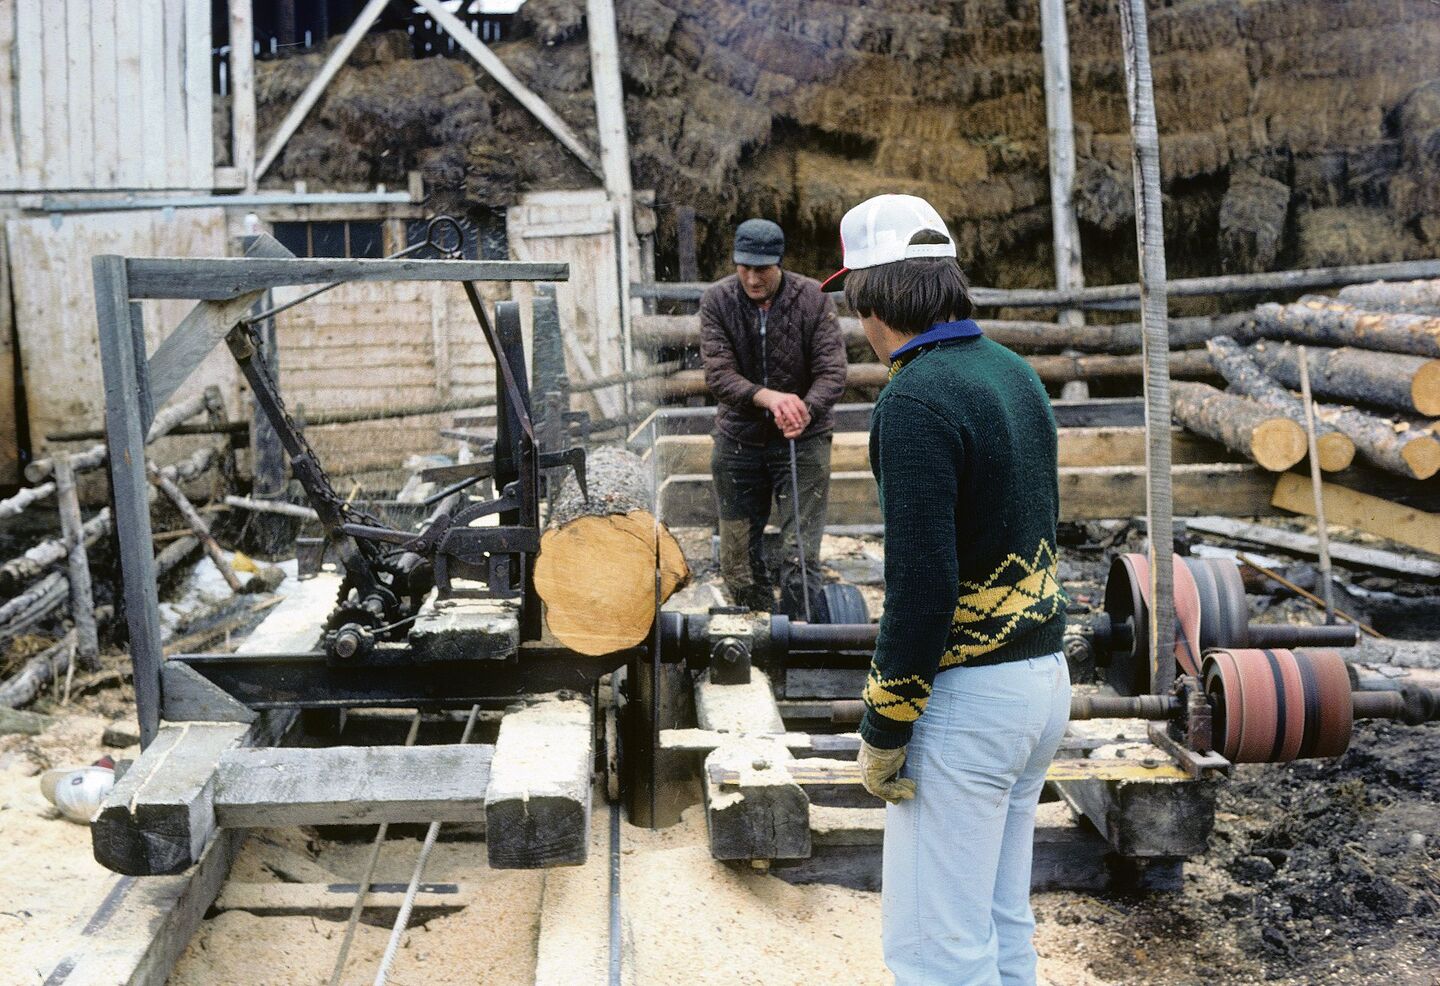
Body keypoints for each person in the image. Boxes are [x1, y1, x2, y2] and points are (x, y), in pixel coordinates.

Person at [827, 194, 1071, 985]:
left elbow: (923, 590)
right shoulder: (1013, 372)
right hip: (1042, 680)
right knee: (999, 924)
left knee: (936, 953)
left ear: (870, 297)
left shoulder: (915, 399)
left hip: (970, 701)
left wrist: (885, 723)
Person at [700, 218, 848, 619]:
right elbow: (719, 374)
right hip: (738, 441)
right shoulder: (717, 300)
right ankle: (757, 626)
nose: (752, 278)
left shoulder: (813, 299)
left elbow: (833, 372)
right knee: (737, 558)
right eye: (744, 267)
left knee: (800, 553)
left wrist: (805, 409)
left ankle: (799, 631)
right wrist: (768, 398)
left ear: (779, 262)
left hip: (803, 440)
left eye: (761, 269)